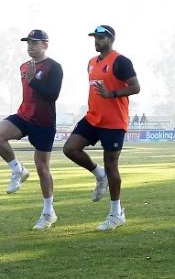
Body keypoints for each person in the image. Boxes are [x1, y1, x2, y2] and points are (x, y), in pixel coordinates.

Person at [62, 25, 141, 232]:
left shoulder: (121, 61)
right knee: (70, 149)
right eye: (95, 38)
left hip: (114, 122)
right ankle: (99, 175)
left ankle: (116, 214)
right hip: (92, 118)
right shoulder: (91, 62)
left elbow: (135, 87)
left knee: (111, 165)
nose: (96, 41)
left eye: (101, 38)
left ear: (111, 39)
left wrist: (111, 94)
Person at [0, 29, 64, 229]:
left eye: (34, 43)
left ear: (45, 45)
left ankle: (48, 212)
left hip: (44, 122)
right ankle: (18, 170)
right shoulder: (24, 66)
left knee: (42, 167)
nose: (30, 46)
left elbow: (53, 95)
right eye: (28, 43)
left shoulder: (54, 67)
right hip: (23, 116)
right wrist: (30, 78)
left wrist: (33, 80)